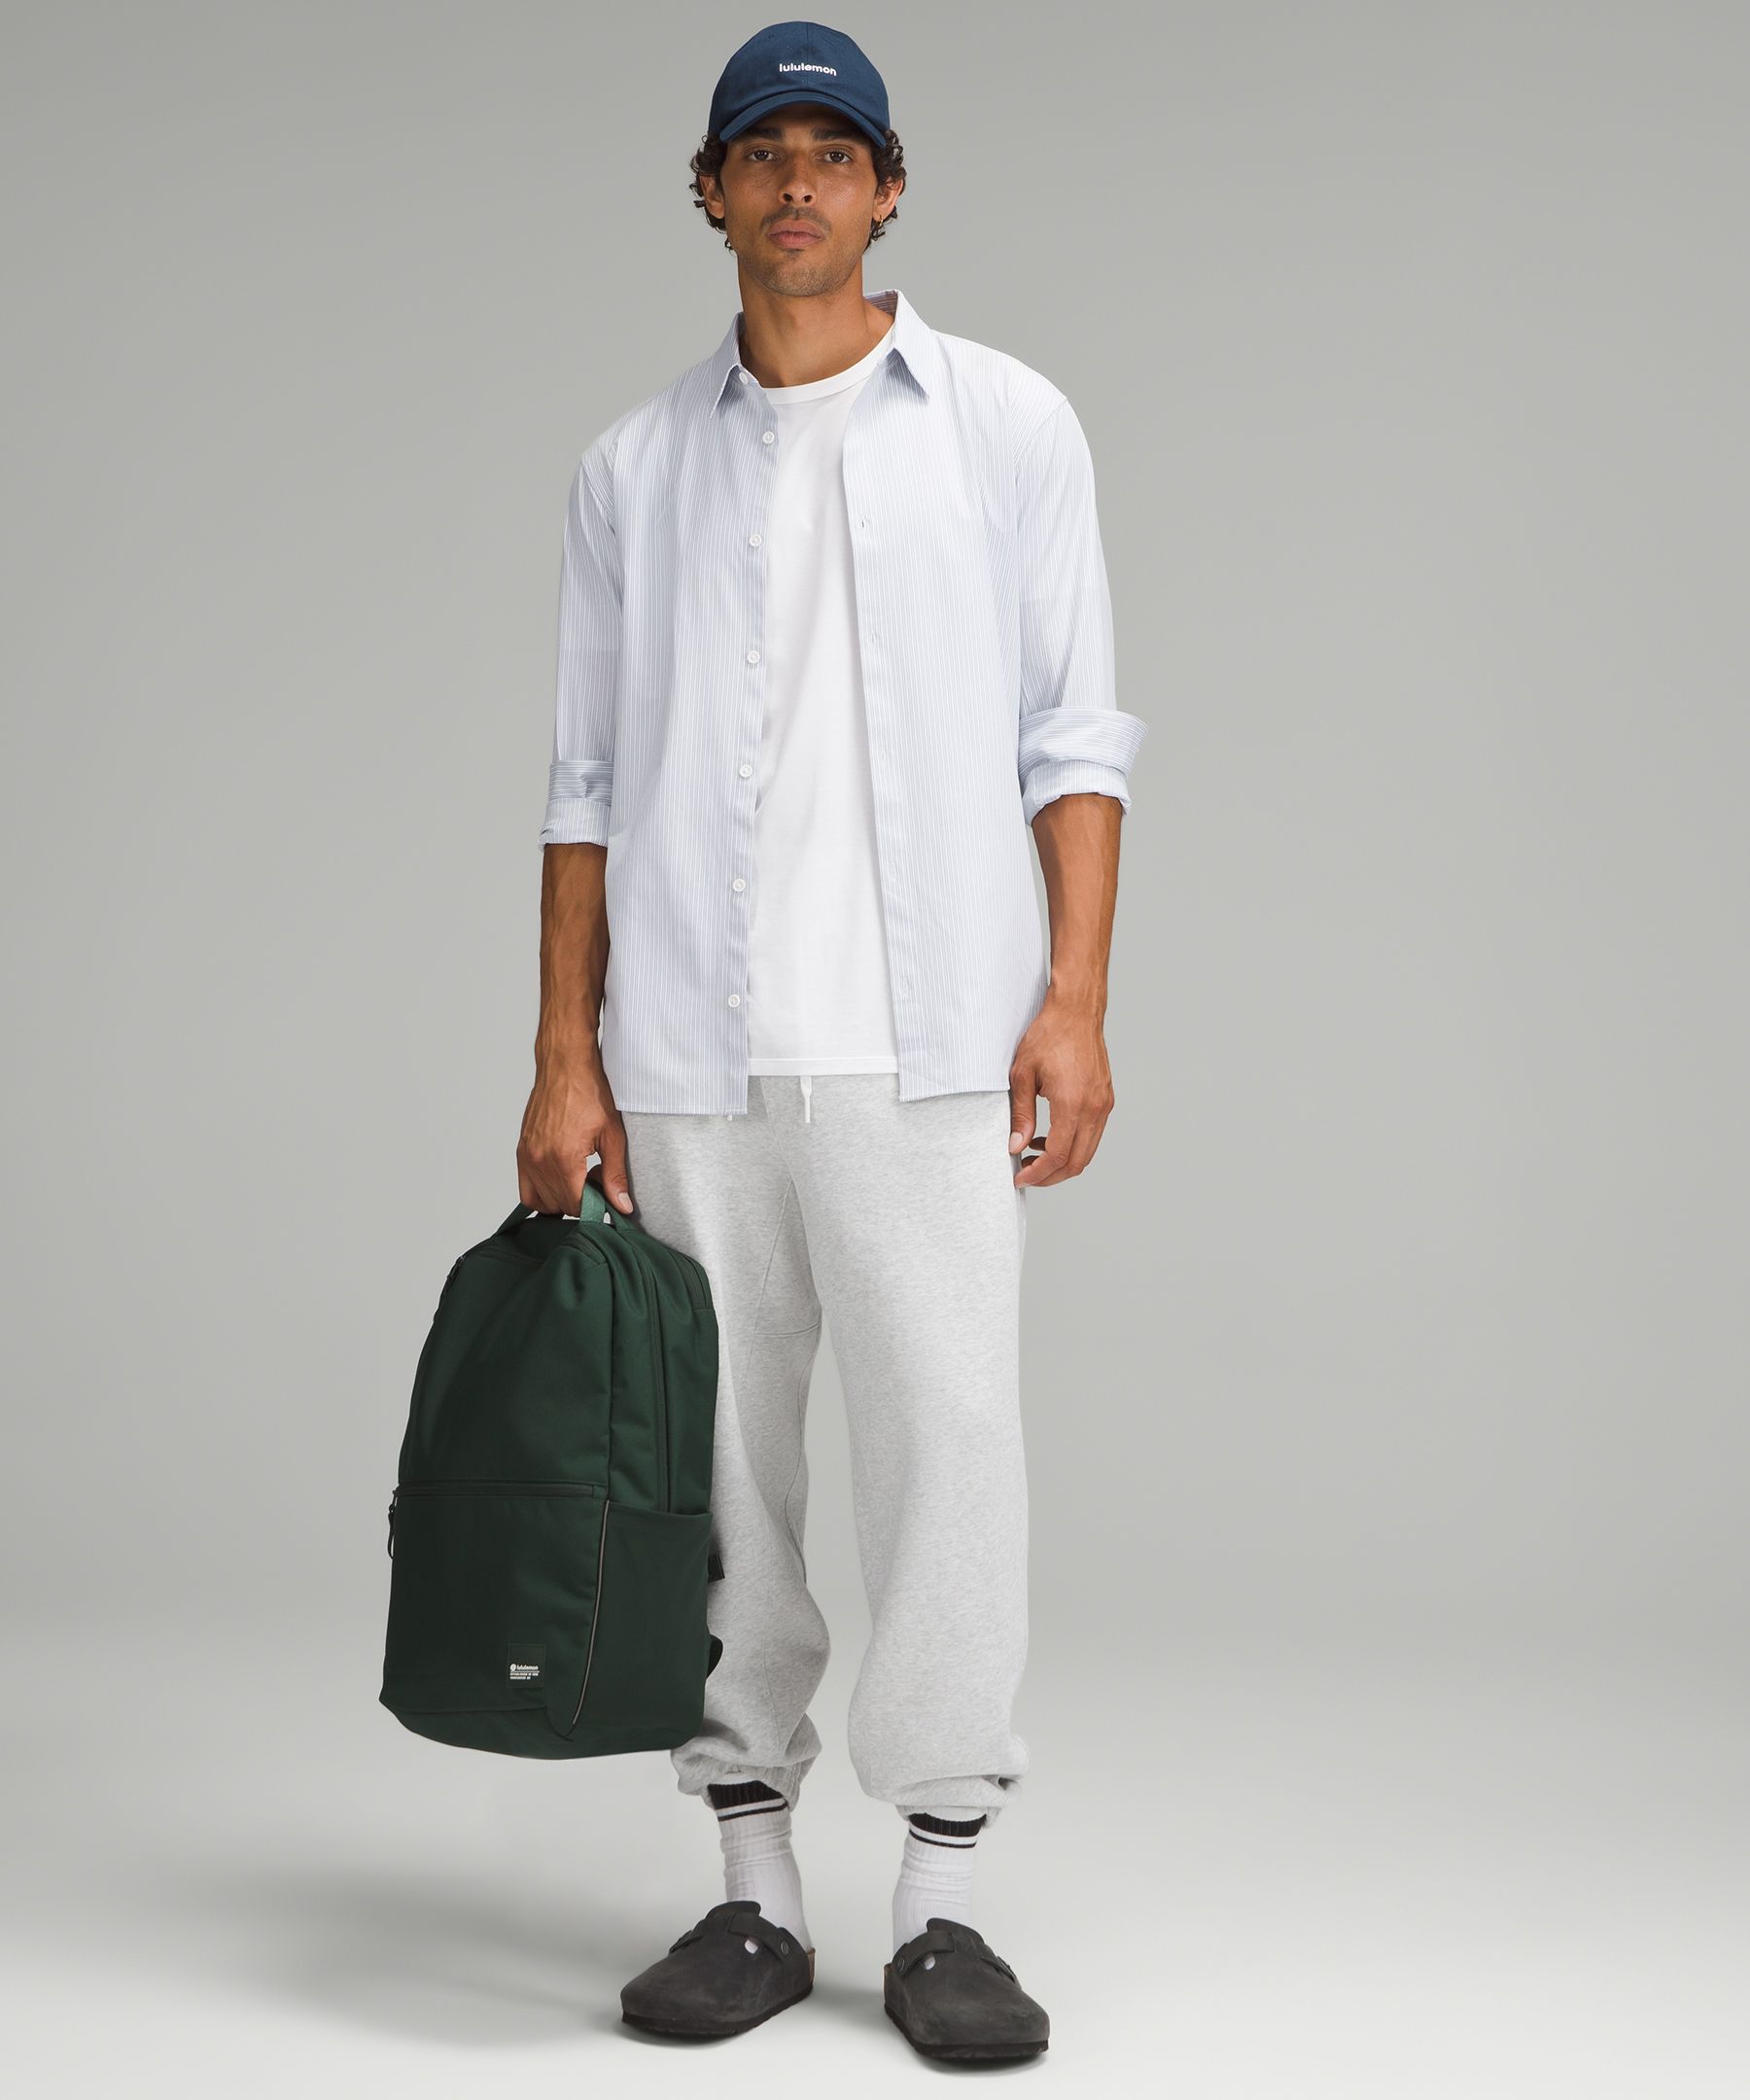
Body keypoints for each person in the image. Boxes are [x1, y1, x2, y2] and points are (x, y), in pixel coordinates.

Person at [516, 18, 1145, 2063]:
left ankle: (944, 1901)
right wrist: (564, 1055)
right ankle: (754, 1892)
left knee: (950, 1447)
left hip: (932, 1039)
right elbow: (584, 787)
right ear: (708, 193)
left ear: (886, 189)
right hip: (689, 1052)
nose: (798, 183)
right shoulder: (631, 470)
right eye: (761, 153)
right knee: (715, 1479)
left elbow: (1075, 733)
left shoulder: (1008, 426)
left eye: (832, 152)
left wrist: (1073, 1000)